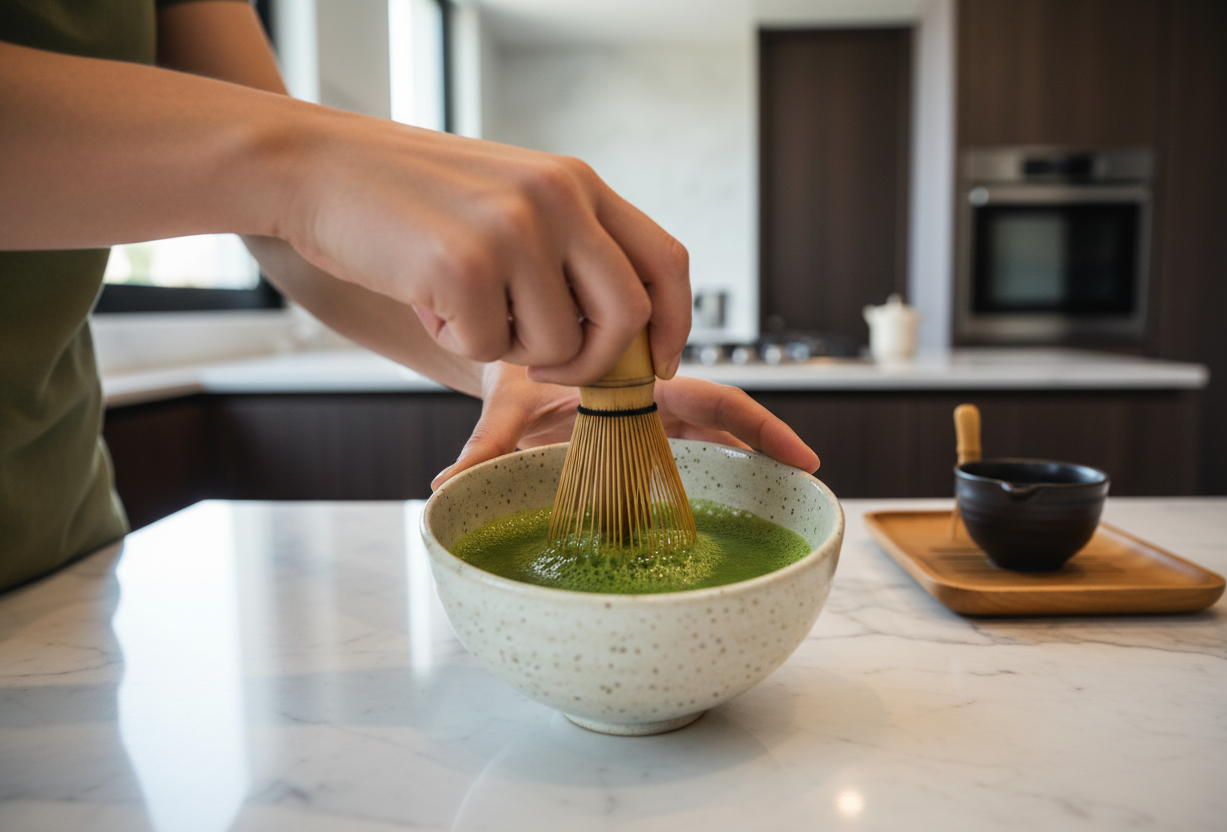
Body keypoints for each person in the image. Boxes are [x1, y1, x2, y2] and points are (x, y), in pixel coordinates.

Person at [0, 0, 819, 593]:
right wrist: (313, 160)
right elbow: (277, 188)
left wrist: (513, 371)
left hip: (69, 547)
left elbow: (282, 231)